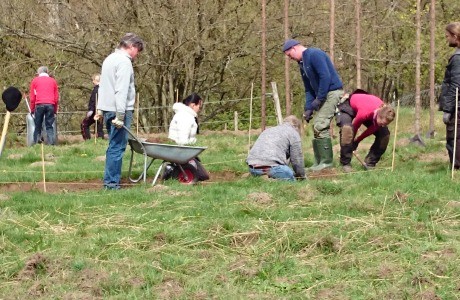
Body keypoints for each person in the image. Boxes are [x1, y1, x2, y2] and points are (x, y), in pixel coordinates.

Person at [283, 39, 344, 171]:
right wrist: (309, 107)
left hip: (332, 92)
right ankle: (318, 162)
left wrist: (319, 99)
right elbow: (308, 88)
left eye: (289, 55)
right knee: (316, 127)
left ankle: (326, 164)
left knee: (320, 125)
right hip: (322, 94)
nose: (290, 58)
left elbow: (325, 76)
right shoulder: (302, 64)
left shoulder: (314, 54)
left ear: (294, 48)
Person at [95, 33, 144, 190]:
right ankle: (111, 184)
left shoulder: (109, 59)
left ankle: (110, 181)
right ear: (131, 47)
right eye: (138, 50)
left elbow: (103, 86)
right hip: (119, 110)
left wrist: (101, 108)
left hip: (108, 108)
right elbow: (121, 90)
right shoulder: (124, 62)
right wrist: (121, 115)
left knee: (112, 145)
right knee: (117, 147)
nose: (137, 54)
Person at [336, 89, 395, 172]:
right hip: (349, 105)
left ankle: (370, 163)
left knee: (384, 135)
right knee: (348, 130)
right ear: (379, 116)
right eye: (382, 123)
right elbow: (355, 127)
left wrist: (358, 140)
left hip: (369, 110)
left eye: (385, 124)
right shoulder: (364, 112)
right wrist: (353, 143)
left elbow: (371, 129)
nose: (383, 125)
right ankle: (345, 163)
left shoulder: (384, 111)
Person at [246, 115, 306, 181]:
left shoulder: (268, 130)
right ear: (296, 126)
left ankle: (262, 178)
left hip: (253, 168)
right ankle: (273, 180)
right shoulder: (293, 133)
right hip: (272, 167)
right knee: (290, 175)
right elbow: (297, 159)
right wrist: (301, 176)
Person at [167, 93, 209, 182]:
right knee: (200, 173)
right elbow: (183, 138)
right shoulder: (185, 116)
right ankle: (186, 174)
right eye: (199, 106)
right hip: (180, 148)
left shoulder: (185, 114)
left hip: (180, 149)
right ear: (193, 105)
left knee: (202, 174)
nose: (199, 109)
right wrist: (187, 151)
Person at [439, 22, 460, 169]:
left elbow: (456, 85)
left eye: (447, 36)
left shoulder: (458, 58)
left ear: (455, 36)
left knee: (454, 138)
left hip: (457, 106)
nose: (447, 39)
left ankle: (457, 168)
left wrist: (448, 109)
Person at [29, 66, 59, 145]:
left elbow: (32, 98)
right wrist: (55, 111)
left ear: (39, 72)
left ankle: (37, 144)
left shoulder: (35, 81)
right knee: (49, 126)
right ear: (47, 72)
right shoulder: (53, 81)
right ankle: (51, 144)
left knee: (37, 125)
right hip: (50, 105)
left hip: (39, 104)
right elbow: (56, 98)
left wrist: (32, 110)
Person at [81, 74, 104, 140]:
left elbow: (94, 100)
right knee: (99, 127)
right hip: (101, 110)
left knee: (84, 124)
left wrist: (91, 110)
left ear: (95, 80)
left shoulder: (96, 89)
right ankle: (100, 141)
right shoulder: (103, 89)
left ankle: (87, 140)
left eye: (93, 80)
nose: (92, 82)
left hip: (95, 111)